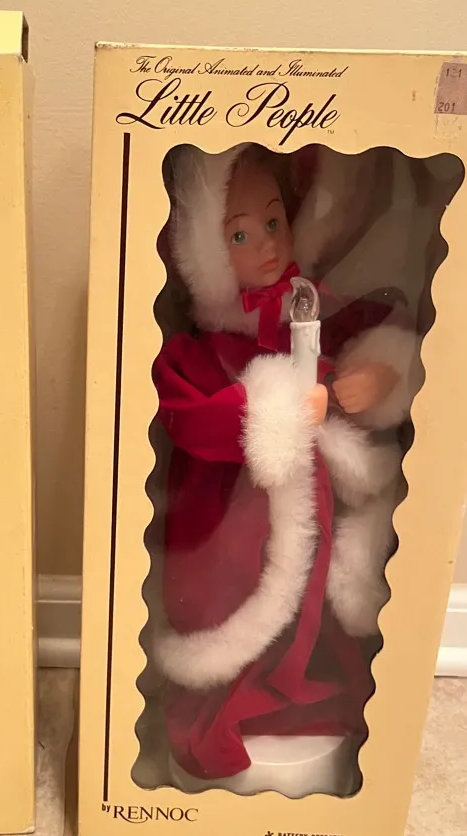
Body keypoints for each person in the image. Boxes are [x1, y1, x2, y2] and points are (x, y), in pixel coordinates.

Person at [151, 144, 420, 783]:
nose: (268, 245)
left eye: (274, 222)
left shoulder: (314, 308)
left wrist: (373, 375)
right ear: (205, 255)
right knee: (235, 606)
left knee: (313, 608)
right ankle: (242, 692)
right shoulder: (201, 351)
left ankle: (301, 681)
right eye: (239, 235)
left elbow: (384, 340)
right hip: (231, 523)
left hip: (317, 510)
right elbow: (189, 415)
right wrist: (280, 403)